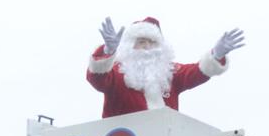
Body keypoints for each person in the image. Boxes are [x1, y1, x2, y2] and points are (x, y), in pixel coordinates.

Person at [88, 16, 245, 118]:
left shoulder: (169, 73)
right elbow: (96, 78)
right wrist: (108, 51)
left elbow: (197, 72)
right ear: (130, 46)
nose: (147, 47)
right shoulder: (116, 73)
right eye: (142, 41)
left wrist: (216, 55)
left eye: (152, 42)